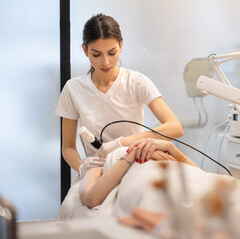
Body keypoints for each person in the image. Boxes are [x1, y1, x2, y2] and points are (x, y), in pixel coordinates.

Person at [56, 13, 183, 178]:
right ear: (85, 50)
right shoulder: (73, 89)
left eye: (112, 52)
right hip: (96, 171)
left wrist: (121, 143)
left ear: (121, 46)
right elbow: (68, 148)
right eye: (96, 54)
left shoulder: (136, 82)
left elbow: (174, 127)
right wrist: (81, 167)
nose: (106, 62)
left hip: (134, 167)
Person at [79, 138, 197, 208]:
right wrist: (133, 154)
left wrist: (171, 148)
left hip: (189, 188)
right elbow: (91, 198)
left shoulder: (169, 156)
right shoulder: (102, 165)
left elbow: (204, 176)